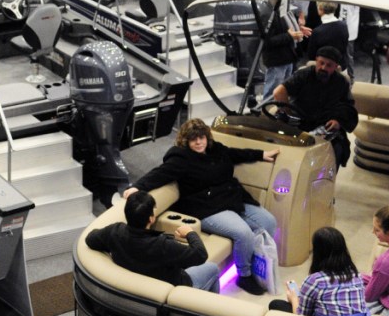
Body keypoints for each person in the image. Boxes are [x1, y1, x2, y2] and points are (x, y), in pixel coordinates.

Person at [122, 119, 280, 296]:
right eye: (193, 139)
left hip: (232, 200)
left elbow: (235, 154)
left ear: (207, 137)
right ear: (185, 141)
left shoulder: (216, 149)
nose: (198, 142)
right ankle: (244, 275)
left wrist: (260, 154)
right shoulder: (180, 159)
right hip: (206, 208)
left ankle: (256, 262)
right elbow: (159, 174)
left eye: (201, 137)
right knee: (243, 233)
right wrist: (136, 187)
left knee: (269, 221)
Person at [86, 191, 220, 293]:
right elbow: (201, 254)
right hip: (173, 289)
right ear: (151, 219)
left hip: (138, 290)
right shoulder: (163, 246)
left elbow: (90, 239)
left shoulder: (115, 232)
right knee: (213, 268)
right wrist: (190, 233)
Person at [273, 46, 358, 169]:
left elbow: (348, 106)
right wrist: (287, 113)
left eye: (329, 65)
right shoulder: (303, 75)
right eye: (321, 63)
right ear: (316, 60)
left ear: (335, 67)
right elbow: (279, 92)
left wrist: (338, 121)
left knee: (337, 148)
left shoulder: (341, 82)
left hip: (325, 125)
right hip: (299, 122)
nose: (323, 68)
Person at [275, 227, 369, 316]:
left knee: (276, 304)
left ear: (318, 252)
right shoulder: (356, 275)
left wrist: (294, 299)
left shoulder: (315, 280)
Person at [261, 0, 304, 103]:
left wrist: (299, 30)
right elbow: (267, 41)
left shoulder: (282, 10)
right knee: (271, 94)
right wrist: (289, 36)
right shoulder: (267, 13)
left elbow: (286, 29)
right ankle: (265, 115)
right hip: (277, 61)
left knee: (284, 92)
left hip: (287, 58)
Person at [305, 2, 349, 71]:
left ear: (320, 9)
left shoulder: (317, 31)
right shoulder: (344, 26)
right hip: (340, 67)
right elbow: (344, 48)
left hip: (323, 70)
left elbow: (311, 55)